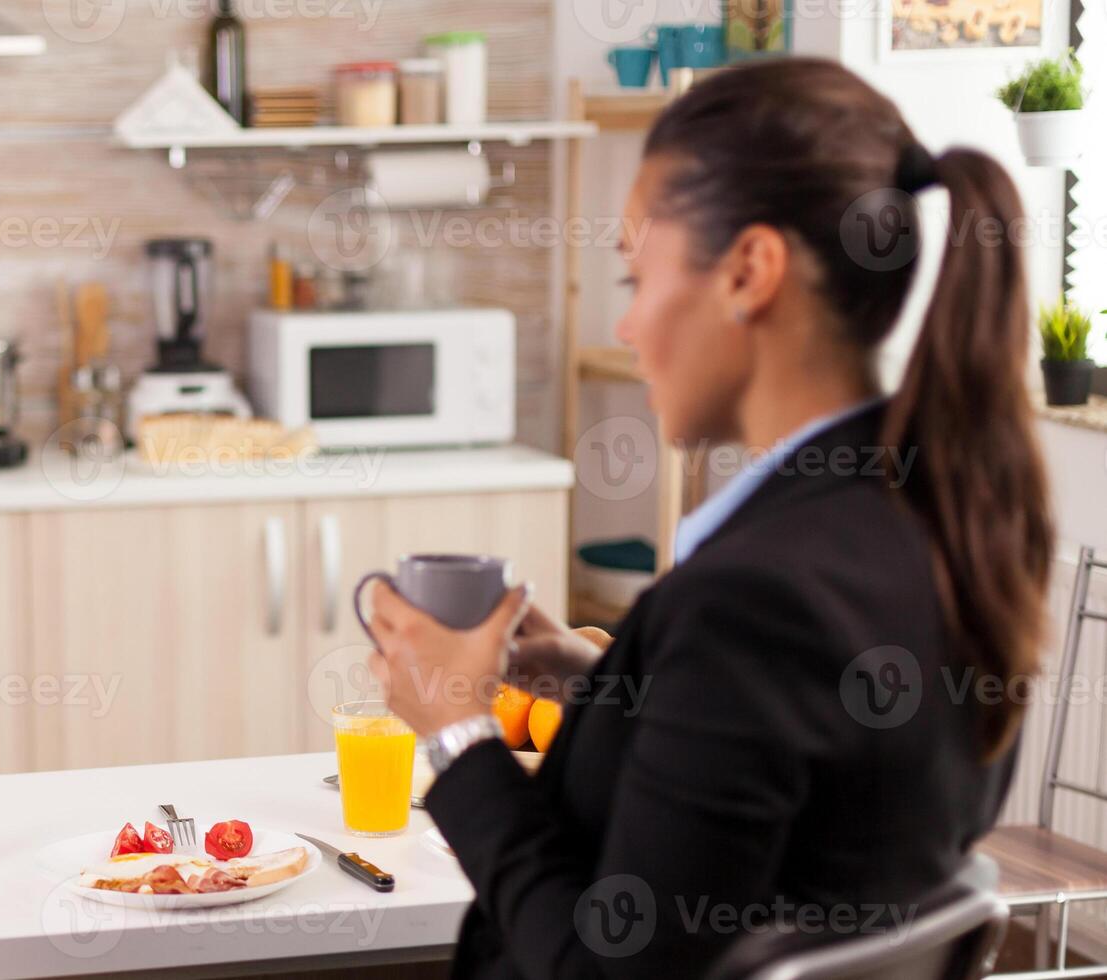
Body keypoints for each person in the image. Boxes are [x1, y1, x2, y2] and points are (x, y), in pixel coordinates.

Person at [364, 58, 1048, 978]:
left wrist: (456, 732)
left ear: (748, 272)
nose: (626, 328)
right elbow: (801, 795)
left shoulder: (749, 600)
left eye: (634, 280)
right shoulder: (937, 521)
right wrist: (614, 682)